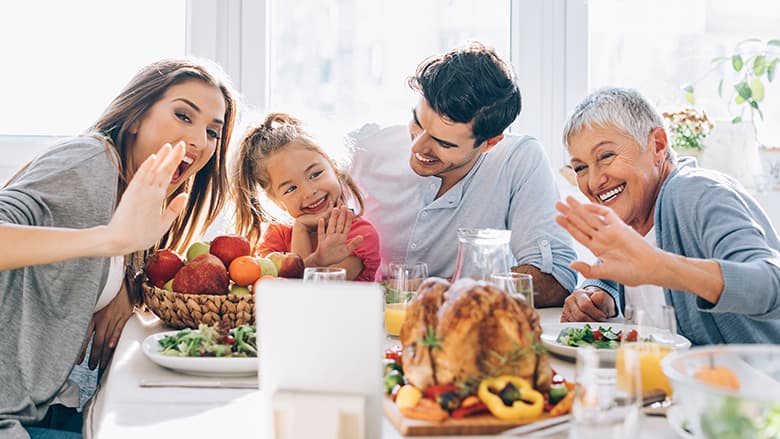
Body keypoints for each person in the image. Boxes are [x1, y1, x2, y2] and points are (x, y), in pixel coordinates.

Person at [0, 58, 238, 439]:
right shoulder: (88, 161)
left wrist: (127, 283)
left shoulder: (132, 196)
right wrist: (109, 240)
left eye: (213, 131)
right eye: (183, 115)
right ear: (135, 118)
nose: (199, 140)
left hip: (39, 407)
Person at [348, 41, 576, 305]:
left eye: (443, 143)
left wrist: (441, 291)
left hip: (467, 336)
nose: (418, 146)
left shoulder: (518, 159)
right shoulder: (365, 149)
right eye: (417, 123)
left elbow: (557, 280)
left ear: (490, 142)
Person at [555, 86, 780, 345]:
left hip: (757, 380)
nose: (594, 181)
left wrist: (663, 269)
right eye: (580, 167)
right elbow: (625, 270)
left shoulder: (699, 193)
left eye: (606, 156)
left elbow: (772, 282)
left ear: (658, 146)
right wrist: (598, 291)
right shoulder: (634, 215)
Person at [232, 113, 380, 281]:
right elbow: (275, 292)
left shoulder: (360, 235)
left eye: (315, 174)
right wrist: (301, 230)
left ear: (334, 166)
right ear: (277, 201)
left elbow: (315, 296)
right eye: (291, 188)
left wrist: (310, 256)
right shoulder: (277, 236)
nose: (309, 192)